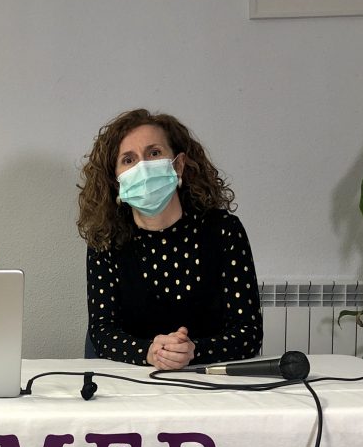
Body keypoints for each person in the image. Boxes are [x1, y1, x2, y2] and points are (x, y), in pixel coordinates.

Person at [77, 109, 262, 370]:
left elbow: (248, 333)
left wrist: (193, 351)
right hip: (131, 381)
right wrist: (150, 352)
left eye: (154, 153)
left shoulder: (223, 231)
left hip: (209, 380)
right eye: (128, 160)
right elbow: (102, 331)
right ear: (116, 181)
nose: (143, 167)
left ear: (178, 164)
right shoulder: (106, 240)